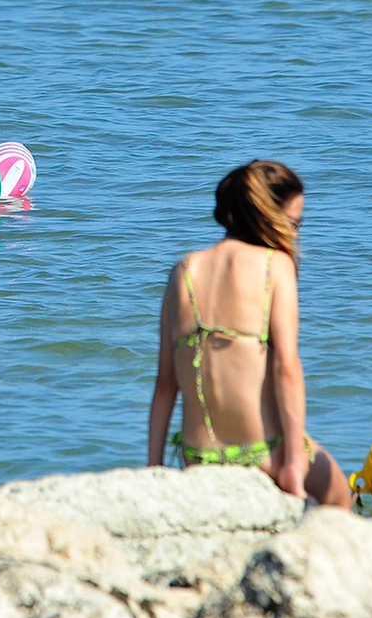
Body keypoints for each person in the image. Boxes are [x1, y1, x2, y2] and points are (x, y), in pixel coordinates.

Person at [148, 160, 353, 509]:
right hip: (262, 454)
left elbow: (166, 384)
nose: (296, 233)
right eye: (295, 222)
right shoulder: (276, 266)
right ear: (269, 216)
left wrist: (153, 469)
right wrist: (290, 462)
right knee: (339, 496)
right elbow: (286, 368)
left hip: (198, 459)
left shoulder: (181, 272)